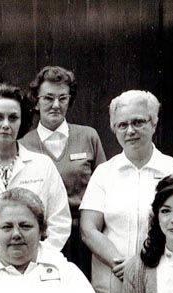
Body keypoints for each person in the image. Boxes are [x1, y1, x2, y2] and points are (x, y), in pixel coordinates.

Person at [80, 90, 173, 293]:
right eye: (122, 125)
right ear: (114, 128)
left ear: (154, 123)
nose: (130, 130)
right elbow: (88, 229)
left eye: (138, 122)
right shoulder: (104, 173)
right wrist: (123, 266)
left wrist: (140, 263)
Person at [0, 83, 71, 267]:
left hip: (36, 268)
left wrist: (38, 259)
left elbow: (60, 221)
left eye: (13, 118)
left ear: (22, 121)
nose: (6, 125)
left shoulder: (43, 165)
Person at [19, 65, 106, 278]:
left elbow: (105, 188)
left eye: (62, 98)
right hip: (43, 238)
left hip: (84, 237)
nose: (55, 105)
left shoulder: (88, 137)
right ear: (36, 101)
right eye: (48, 98)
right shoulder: (23, 144)